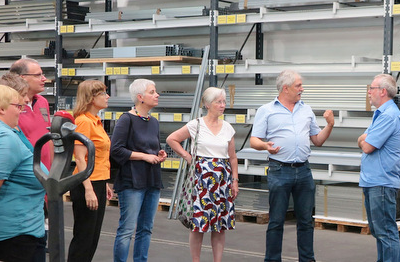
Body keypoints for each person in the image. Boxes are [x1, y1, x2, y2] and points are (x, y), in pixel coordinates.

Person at [250, 70, 334, 262]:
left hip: (304, 171)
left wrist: (329, 125)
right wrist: (264, 146)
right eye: (298, 86)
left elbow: (317, 140)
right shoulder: (267, 110)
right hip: (279, 170)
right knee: (276, 221)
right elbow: (254, 140)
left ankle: (307, 259)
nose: (302, 89)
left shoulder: (306, 109)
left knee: (306, 221)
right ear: (285, 88)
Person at [167, 87, 239, 262]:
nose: (222, 105)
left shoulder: (228, 128)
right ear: (207, 104)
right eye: (218, 102)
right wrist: (188, 157)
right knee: (198, 224)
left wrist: (235, 180)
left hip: (222, 180)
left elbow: (233, 157)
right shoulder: (196, 124)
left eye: (223, 102)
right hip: (201, 181)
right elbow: (172, 139)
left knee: (220, 226)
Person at [111, 79, 167, 262]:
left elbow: (150, 147)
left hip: (151, 180)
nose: (157, 95)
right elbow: (116, 150)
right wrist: (144, 156)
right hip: (132, 182)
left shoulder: (153, 122)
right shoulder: (126, 119)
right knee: (127, 229)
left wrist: (158, 154)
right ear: (140, 97)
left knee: (146, 228)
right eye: (152, 92)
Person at [0, 85, 46, 262]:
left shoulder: (6, 131)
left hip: (18, 230)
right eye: (18, 106)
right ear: (1, 108)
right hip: (12, 235)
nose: (21, 111)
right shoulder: (3, 137)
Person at [357, 74, 400, 262]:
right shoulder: (381, 114)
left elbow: (367, 145)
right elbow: (362, 140)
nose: (369, 92)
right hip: (374, 181)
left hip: (382, 183)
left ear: (383, 91)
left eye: (372, 88)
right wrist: (364, 139)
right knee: (380, 232)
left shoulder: (389, 116)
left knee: (385, 233)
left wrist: (365, 139)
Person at [67, 80, 113, 262]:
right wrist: (88, 189)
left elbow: (99, 156)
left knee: (93, 237)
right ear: (91, 98)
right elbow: (79, 158)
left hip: (98, 182)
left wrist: (105, 183)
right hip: (86, 184)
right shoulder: (83, 121)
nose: (107, 96)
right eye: (103, 93)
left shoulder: (96, 122)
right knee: (84, 237)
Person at [10, 58, 52, 170]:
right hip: (23, 173)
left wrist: (53, 171)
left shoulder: (42, 101)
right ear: (22, 78)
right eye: (38, 75)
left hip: (44, 172)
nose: (44, 79)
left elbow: (48, 135)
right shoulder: (9, 105)